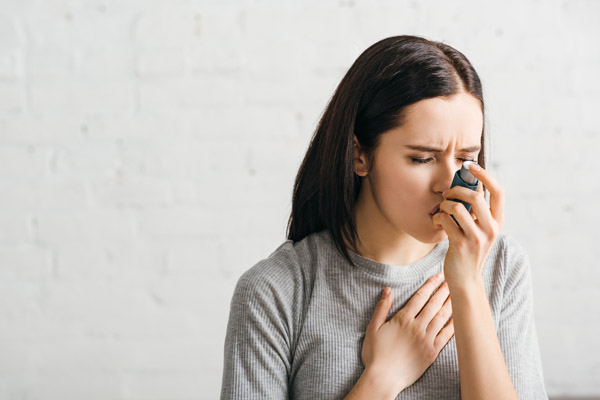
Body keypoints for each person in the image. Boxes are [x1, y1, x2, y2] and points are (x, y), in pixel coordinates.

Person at [220, 35, 548, 399]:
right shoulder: (275, 291)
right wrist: (382, 379)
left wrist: (468, 283)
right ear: (359, 155)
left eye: (466, 158)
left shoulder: (503, 266)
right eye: (422, 158)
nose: (447, 183)